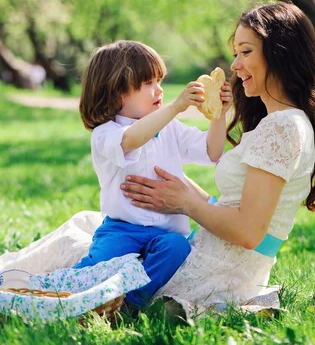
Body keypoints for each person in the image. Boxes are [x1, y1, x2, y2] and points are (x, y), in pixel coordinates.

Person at [0, 2, 315, 315]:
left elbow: (248, 232)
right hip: (186, 243)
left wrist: (184, 201)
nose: (235, 64)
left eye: (245, 51)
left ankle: (0, 287)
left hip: (214, 268)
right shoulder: (281, 124)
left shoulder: (282, 127)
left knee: (83, 251)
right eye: (236, 52)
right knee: (87, 229)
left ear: (278, 54)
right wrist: (185, 192)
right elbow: (241, 205)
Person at [72, 40, 231, 307]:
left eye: (159, 80)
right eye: (148, 83)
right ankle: (66, 293)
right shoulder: (105, 134)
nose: (159, 90)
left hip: (166, 231)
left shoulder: (170, 128)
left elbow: (211, 152)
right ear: (116, 93)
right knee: (103, 262)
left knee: (177, 249)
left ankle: (128, 304)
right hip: (122, 228)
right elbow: (132, 139)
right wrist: (175, 107)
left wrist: (219, 116)